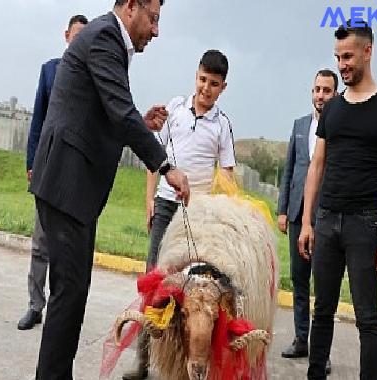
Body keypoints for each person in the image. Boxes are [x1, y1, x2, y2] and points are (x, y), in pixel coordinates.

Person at [28, 0, 189, 378]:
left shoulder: (109, 40)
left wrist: (139, 124)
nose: (156, 30)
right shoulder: (104, 36)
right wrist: (165, 165)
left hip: (74, 189)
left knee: (71, 293)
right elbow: (118, 109)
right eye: (153, 18)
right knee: (70, 294)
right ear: (131, 7)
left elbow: (104, 111)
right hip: (68, 184)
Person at [298, 20, 377, 379]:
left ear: (368, 51)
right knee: (323, 312)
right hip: (327, 221)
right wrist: (307, 222)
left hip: (366, 225)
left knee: (367, 320)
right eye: (337, 57)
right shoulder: (331, 109)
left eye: (348, 56)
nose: (342, 63)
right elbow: (317, 166)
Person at [123, 49, 236, 380]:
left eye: (214, 84)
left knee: (193, 292)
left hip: (197, 215)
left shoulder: (223, 125)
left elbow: (226, 176)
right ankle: (143, 362)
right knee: (154, 283)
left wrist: (219, 214)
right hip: (166, 205)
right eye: (202, 80)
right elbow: (152, 158)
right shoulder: (173, 110)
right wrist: (149, 202)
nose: (206, 89)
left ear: (223, 87)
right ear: (196, 75)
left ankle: (188, 363)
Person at [18, 14, 89, 331]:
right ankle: (35, 305)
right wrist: (32, 162)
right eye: (76, 35)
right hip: (48, 167)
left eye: (85, 37)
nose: (80, 41)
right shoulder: (50, 70)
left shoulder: (94, 74)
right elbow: (38, 122)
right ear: (66, 36)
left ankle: (60, 314)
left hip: (76, 176)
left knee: (69, 247)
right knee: (41, 242)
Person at [278, 69, 337, 373]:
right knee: (300, 280)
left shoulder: (339, 127)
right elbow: (289, 170)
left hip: (326, 218)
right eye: (317, 89)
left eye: (326, 90)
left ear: (335, 94)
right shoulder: (300, 126)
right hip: (298, 214)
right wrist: (283, 210)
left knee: (323, 286)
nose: (320, 95)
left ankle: (321, 351)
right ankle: (302, 339)